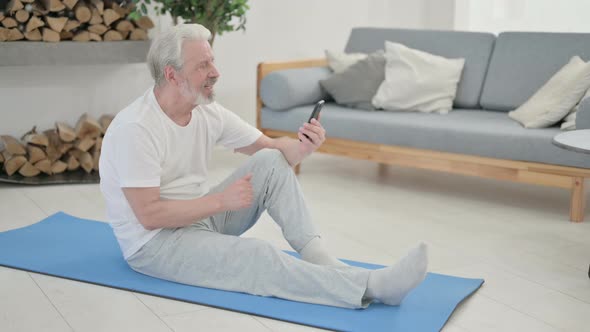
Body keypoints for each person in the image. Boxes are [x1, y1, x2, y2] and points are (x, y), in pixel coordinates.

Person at [99, 23, 428, 309]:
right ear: (172, 74)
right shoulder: (137, 128)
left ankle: (321, 259)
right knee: (257, 255)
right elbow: (149, 215)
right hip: (154, 244)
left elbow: (272, 151)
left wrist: (303, 147)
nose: (215, 72)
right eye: (203, 65)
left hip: (199, 219)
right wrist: (220, 202)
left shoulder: (205, 111)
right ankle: (372, 287)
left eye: (212, 61)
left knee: (270, 161)